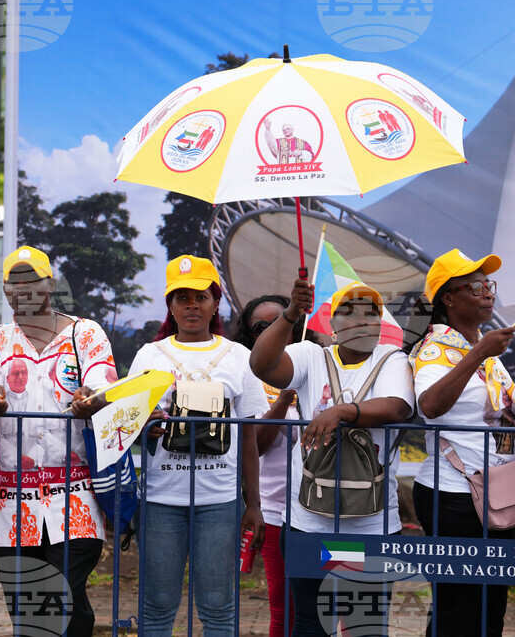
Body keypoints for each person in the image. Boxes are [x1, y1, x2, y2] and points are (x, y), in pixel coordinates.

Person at [250, 279, 413, 637]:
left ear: (381, 324)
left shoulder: (392, 358)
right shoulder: (312, 355)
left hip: (371, 528)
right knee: (310, 622)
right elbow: (262, 366)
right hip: (309, 523)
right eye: (347, 311)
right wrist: (291, 313)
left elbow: (397, 407)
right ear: (332, 325)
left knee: (364, 627)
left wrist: (340, 412)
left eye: (371, 312)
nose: (360, 318)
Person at [0, 245, 117, 637]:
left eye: (31, 281)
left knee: (54, 596)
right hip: (13, 503)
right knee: (30, 612)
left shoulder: (83, 333)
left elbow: (105, 383)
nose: (22, 290)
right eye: (13, 284)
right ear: (4, 291)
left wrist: (92, 396)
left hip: (75, 498)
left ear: (50, 285)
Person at [127, 255, 266, 637]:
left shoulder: (239, 357)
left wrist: (252, 505)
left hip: (220, 502)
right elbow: (126, 427)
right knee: (155, 607)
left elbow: (250, 439)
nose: (192, 305)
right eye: (181, 297)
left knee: (219, 609)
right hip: (160, 500)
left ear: (216, 302)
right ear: (169, 305)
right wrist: (145, 428)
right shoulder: (149, 356)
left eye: (200, 296)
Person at [408, 249, 515, 636]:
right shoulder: (434, 350)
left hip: (495, 491)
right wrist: (478, 353)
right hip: (452, 494)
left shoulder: (487, 348)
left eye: (489, 285)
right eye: (475, 286)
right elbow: (431, 406)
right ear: (449, 299)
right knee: (457, 608)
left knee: (491, 605)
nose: (487, 293)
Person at [232, 294, 315, 637]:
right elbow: (259, 446)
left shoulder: (318, 368)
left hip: (319, 511)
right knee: (285, 605)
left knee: (328, 604)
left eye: (285, 320)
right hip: (277, 510)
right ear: (251, 337)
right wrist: (282, 402)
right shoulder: (251, 377)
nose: (276, 329)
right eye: (260, 327)